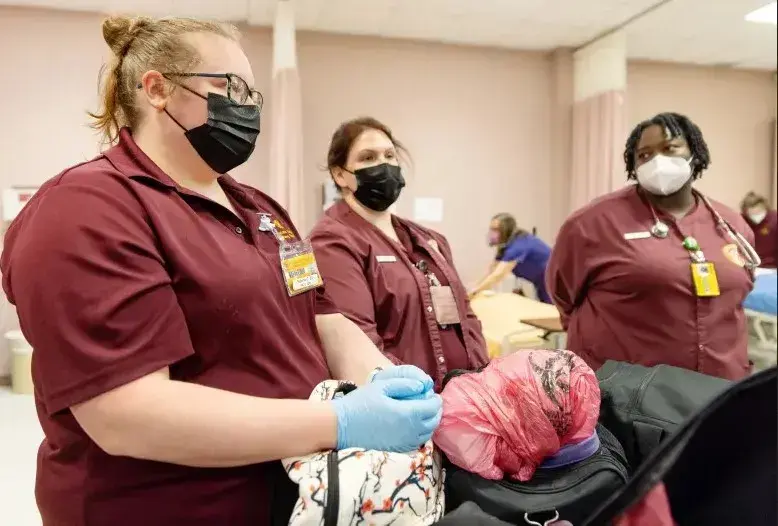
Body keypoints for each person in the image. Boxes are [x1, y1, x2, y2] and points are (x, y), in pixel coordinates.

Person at [0, 17, 441, 526]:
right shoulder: (87, 207)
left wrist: (383, 379)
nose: (246, 106)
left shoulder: (262, 211)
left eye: (252, 93)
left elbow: (323, 317)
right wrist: (339, 420)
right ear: (158, 89)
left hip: (290, 493)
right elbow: (125, 414)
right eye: (229, 87)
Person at [547, 112, 758, 381]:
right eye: (644, 155)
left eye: (670, 148)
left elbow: (738, 295)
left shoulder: (731, 225)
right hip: (625, 392)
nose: (657, 160)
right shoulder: (592, 223)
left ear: (695, 153)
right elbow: (564, 295)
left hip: (720, 385)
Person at [309, 117, 490, 387]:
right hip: (412, 401)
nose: (383, 165)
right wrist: (421, 396)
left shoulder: (430, 240)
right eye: (368, 157)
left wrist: (483, 380)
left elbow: (467, 317)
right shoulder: (332, 243)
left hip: (468, 395)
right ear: (340, 175)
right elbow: (358, 346)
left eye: (389, 155)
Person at [469, 213, 553, 303]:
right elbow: (492, 271)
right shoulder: (505, 246)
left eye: (496, 229)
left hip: (554, 279)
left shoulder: (518, 246)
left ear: (506, 230)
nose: (492, 233)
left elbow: (498, 275)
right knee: (548, 307)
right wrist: (474, 287)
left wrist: (474, 292)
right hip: (542, 281)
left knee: (553, 308)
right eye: (491, 229)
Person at [740, 191, 777, 268]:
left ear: (765, 208)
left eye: (758, 212)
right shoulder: (741, 220)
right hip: (749, 266)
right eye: (752, 213)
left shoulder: (774, 219)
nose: (755, 216)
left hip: (772, 266)